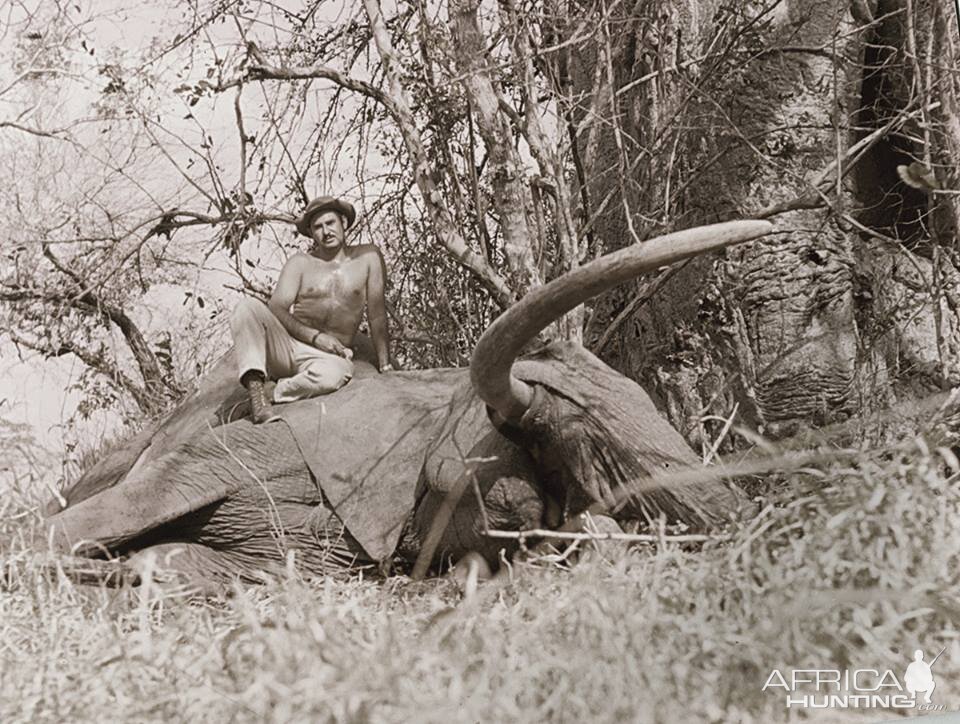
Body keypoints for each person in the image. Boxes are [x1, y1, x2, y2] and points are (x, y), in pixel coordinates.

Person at [230, 195, 393, 423]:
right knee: (246, 307)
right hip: (289, 348)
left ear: (343, 223)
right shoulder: (300, 263)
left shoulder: (368, 257)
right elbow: (277, 308)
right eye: (317, 227)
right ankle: (256, 393)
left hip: (327, 359)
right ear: (311, 233)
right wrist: (315, 337)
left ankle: (272, 393)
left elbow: (377, 314)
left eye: (330, 223)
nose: (325, 231)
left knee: (336, 374)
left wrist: (385, 365)